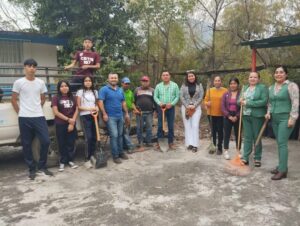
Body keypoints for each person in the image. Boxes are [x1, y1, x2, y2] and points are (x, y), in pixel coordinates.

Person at [11, 58, 53, 180]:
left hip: (39, 116)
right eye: (29, 66)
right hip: (24, 118)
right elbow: (14, 99)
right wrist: (21, 112)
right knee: (27, 144)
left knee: (46, 141)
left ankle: (42, 166)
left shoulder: (40, 82)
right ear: (25, 67)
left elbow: (43, 98)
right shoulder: (18, 82)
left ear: (36, 69)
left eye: (34, 66)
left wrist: (36, 108)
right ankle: (31, 168)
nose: (32, 68)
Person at [265, 66, 299, 180]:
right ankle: (281, 166)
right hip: (274, 119)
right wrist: (268, 113)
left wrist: (293, 118)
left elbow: (295, 102)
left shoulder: (291, 86)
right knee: (279, 143)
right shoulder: (271, 88)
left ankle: (283, 171)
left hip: (286, 118)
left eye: (281, 72)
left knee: (282, 143)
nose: (278, 74)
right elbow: (270, 103)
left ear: (286, 74)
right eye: (276, 72)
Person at [98, 73, 130, 164]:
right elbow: (100, 102)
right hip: (110, 117)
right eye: (112, 78)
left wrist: (126, 113)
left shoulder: (120, 90)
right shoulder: (104, 89)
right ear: (108, 79)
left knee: (120, 135)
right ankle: (115, 155)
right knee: (114, 135)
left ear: (117, 79)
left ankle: (121, 152)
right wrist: (104, 114)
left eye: (115, 78)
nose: (113, 79)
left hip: (120, 116)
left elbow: (123, 102)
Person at [239, 71, 268, 167]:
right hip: (245, 116)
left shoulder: (262, 88)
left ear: (258, 79)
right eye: (251, 77)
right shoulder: (244, 88)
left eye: (255, 77)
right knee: (247, 137)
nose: (252, 79)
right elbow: (239, 101)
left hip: (257, 116)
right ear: (248, 78)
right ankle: (245, 157)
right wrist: (240, 101)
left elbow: (263, 102)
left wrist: (248, 103)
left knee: (257, 137)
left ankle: (257, 157)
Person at [52, 80, 79, 172]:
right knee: (61, 143)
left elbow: (76, 110)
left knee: (71, 142)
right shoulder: (55, 98)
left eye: (66, 86)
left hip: (71, 123)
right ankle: (62, 161)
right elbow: (56, 112)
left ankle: (71, 160)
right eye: (62, 86)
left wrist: (72, 122)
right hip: (61, 123)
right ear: (59, 88)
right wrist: (68, 120)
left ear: (68, 87)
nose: (64, 88)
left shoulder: (73, 97)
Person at [154, 71, 180, 150]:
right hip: (161, 107)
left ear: (169, 76)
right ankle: (160, 142)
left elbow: (177, 96)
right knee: (160, 125)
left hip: (170, 107)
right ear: (161, 77)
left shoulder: (175, 85)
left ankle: (170, 142)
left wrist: (172, 104)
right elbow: (155, 96)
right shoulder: (158, 86)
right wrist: (159, 103)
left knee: (170, 126)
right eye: (164, 75)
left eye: (167, 75)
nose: (165, 76)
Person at [76, 76, 98, 165]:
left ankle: (93, 154)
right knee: (88, 137)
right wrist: (91, 109)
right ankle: (87, 157)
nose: (88, 82)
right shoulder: (80, 92)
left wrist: (96, 108)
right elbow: (79, 107)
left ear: (92, 82)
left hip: (94, 116)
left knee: (95, 136)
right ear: (83, 82)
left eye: (89, 81)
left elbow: (96, 104)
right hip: (85, 116)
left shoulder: (95, 92)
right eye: (86, 81)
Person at [180, 71, 204, 152]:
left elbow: (201, 96)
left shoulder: (199, 85)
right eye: (189, 76)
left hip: (196, 108)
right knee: (187, 126)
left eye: (192, 76)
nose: (191, 77)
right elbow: (181, 96)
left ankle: (195, 145)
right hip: (185, 108)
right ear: (187, 77)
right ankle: (189, 143)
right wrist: (187, 106)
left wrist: (194, 105)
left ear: (195, 76)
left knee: (195, 125)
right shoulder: (183, 86)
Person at [204, 75, 228, 155]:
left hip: (221, 114)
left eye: (219, 80)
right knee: (213, 131)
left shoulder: (225, 90)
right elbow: (205, 100)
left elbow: (227, 102)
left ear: (221, 82)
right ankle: (213, 147)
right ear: (213, 82)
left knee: (220, 131)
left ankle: (220, 147)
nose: (217, 82)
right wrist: (207, 103)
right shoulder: (210, 90)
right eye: (216, 80)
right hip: (211, 114)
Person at [134, 75, 156, 151]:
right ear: (141, 82)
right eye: (143, 81)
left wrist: (156, 111)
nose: (145, 83)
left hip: (149, 112)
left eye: (146, 81)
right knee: (139, 128)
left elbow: (155, 101)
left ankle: (148, 141)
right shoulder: (137, 90)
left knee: (149, 127)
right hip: (139, 112)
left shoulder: (152, 90)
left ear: (149, 82)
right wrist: (135, 109)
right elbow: (134, 100)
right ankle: (140, 142)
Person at [221, 77, 241, 160]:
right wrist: (229, 116)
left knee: (238, 134)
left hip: (237, 116)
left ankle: (238, 151)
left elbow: (242, 107)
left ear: (237, 84)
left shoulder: (241, 94)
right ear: (229, 85)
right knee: (227, 134)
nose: (233, 85)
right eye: (231, 83)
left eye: (234, 83)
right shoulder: (225, 94)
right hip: (227, 116)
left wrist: (237, 116)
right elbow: (222, 107)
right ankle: (226, 151)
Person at [120, 77, 136, 153]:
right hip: (122, 112)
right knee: (124, 130)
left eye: (128, 84)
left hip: (130, 112)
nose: (127, 85)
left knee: (128, 129)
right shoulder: (119, 91)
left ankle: (125, 145)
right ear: (122, 83)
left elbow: (132, 102)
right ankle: (130, 146)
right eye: (126, 83)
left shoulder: (130, 92)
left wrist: (135, 110)